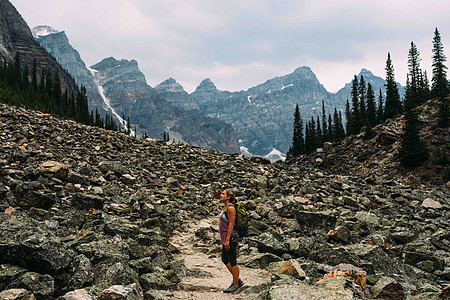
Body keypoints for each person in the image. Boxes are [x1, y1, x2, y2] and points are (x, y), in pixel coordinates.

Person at [218, 189, 244, 293]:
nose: (221, 195)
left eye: (223, 194)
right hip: (225, 238)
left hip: (230, 238)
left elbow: (231, 225)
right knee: (225, 259)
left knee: (232, 260)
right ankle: (236, 279)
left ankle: (235, 284)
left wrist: (227, 240)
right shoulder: (225, 207)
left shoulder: (231, 208)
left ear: (228, 197)